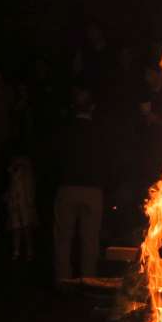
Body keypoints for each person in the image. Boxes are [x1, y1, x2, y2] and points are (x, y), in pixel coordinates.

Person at [53, 87, 105, 282]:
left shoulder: (64, 131)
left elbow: (55, 158)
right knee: (90, 239)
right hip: (93, 191)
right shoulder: (99, 133)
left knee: (63, 239)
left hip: (67, 189)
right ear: (92, 107)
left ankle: (63, 282)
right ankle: (89, 282)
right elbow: (109, 162)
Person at [5, 154, 38, 261]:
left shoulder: (27, 169)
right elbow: (11, 184)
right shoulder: (13, 169)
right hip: (15, 201)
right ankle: (17, 251)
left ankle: (29, 251)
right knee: (16, 228)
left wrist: (30, 201)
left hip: (25, 201)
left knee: (26, 227)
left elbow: (30, 184)